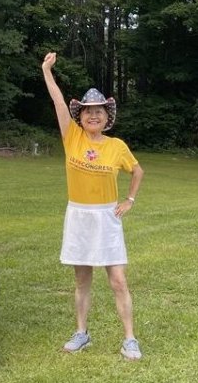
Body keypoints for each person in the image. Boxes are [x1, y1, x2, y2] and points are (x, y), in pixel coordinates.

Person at [41, 52, 145, 361]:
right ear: (81, 117)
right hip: (78, 215)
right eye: (88, 112)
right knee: (82, 279)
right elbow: (59, 104)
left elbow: (137, 171)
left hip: (106, 217)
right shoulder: (72, 137)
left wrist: (129, 200)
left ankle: (129, 339)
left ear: (106, 116)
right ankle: (82, 333)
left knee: (117, 280)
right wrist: (47, 71)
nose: (93, 116)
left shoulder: (117, 146)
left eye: (98, 112)